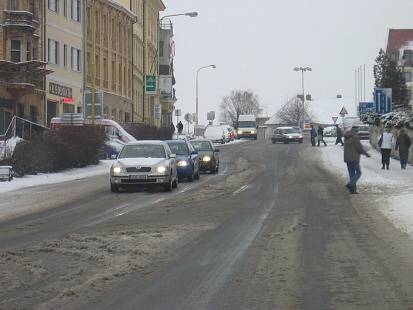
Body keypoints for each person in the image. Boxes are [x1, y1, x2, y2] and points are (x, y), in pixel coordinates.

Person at [344, 127, 370, 194]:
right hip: (354, 158)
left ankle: (352, 190)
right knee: (358, 173)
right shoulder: (355, 138)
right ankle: (350, 184)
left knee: (352, 174)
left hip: (347, 159)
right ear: (356, 131)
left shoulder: (346, 137)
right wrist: (366, 154)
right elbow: (359, 148)